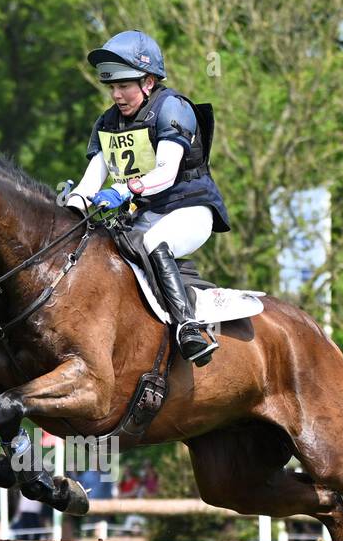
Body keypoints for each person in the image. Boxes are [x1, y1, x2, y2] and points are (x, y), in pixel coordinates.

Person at [65, 30, 231, 367]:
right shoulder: (108, 123)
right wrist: (69, 212)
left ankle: (189, 328)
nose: (117, 95)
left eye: (124, 86)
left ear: (149, 81)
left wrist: (121, 190)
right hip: (142, 215)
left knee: (154, 241)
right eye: (112, 87)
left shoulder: (173, 108)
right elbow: (89, 182)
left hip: (190, 209)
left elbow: (165, 174)